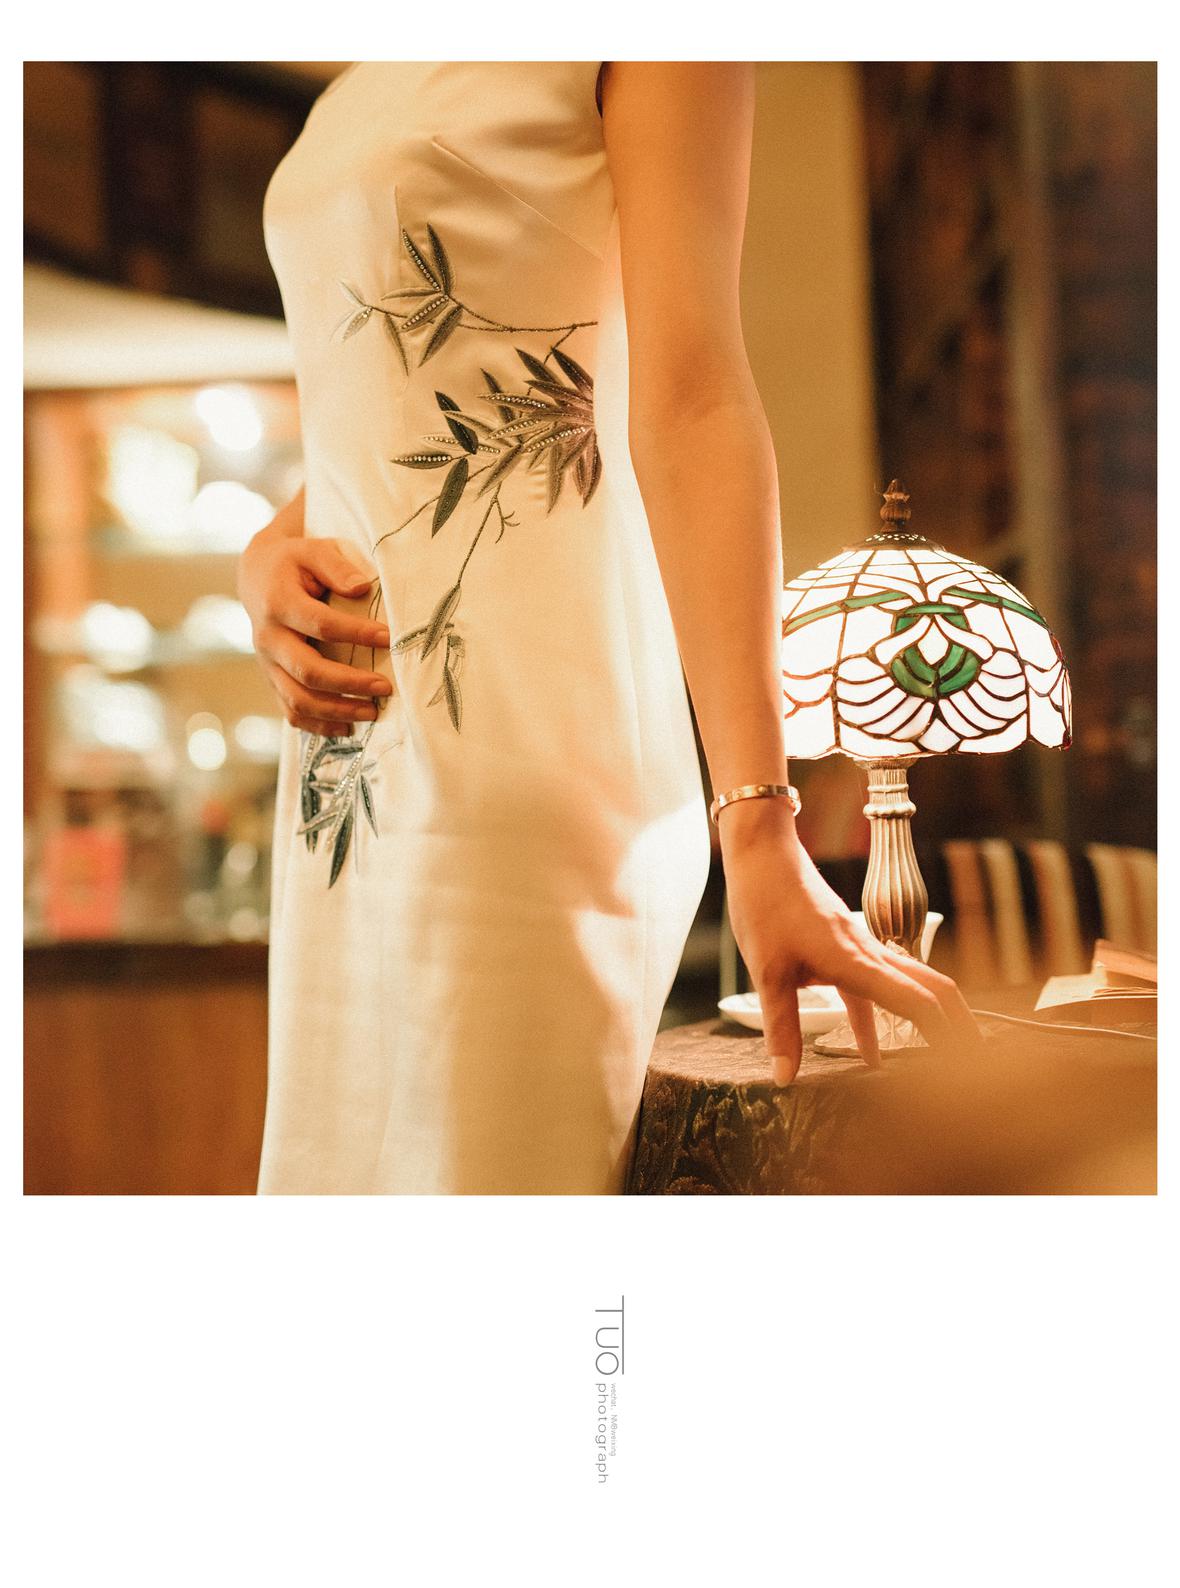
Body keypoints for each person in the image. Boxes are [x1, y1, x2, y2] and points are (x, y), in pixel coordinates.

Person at [239, 61, 980, 1195]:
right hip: (344, 776)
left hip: (514, 754)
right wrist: (266, 547)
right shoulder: (360, 73)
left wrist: (759, 826)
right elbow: (391, 400)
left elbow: (692, 399)